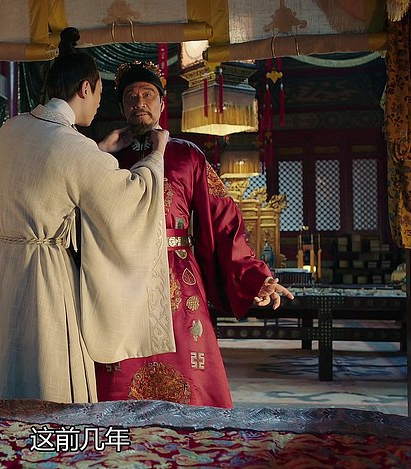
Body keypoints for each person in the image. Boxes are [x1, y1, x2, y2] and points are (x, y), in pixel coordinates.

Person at [0, 30, 177, 403]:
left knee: (3, 373)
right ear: (85, 88)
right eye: (99, 93)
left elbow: (50, 176)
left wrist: (97, 150)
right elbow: (131, 196)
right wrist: (157, 154)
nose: (99, 104)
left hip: (2, 265)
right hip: (43, 275)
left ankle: (1, 436)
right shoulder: (75, 147)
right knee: (47, 379)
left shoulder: (10, 129)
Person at [94, 61, 294, 408]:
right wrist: (98, 154)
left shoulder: (187, 155)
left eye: (147, 94)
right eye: (130, 97)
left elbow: (225, 220)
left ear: (161, 103)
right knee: (118, 376)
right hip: (122, 273)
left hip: (178, 274)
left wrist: (255, 276)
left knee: (190, 368)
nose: (139, 102)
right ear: (122, 106)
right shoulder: (106, 157)